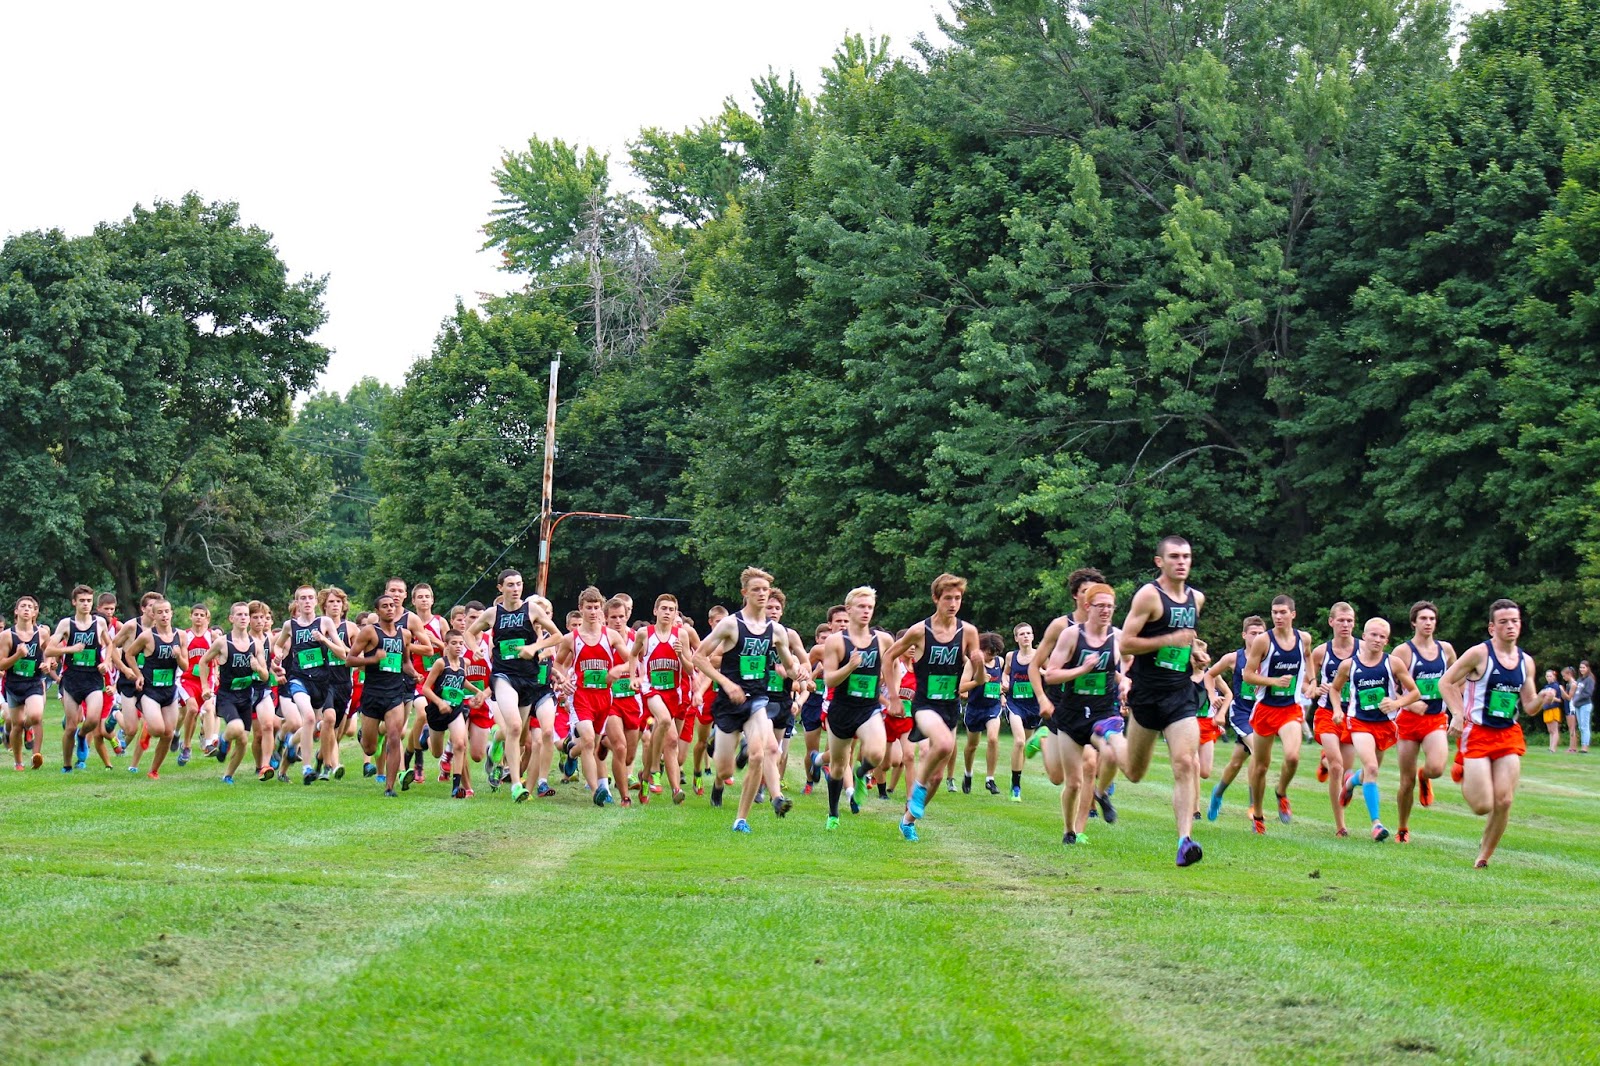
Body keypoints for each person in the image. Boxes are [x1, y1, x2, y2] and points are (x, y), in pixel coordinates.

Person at [1118, 536, 1208, 867]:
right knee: (1133, 772)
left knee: (1186, 762)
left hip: (1179, 694)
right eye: (1173, 556)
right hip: (1147, 695)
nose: (1181, 562)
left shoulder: (1196, 599)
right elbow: (1126, 644)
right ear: (1160, 562)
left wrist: (1195, 652)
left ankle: (1184, 841)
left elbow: (1186, 642)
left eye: (1186, 556)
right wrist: (1169, 640)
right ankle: (1107, 738)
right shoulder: (1149, 596)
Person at [692, 569, 806, 830]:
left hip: (757, 700)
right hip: (729, 703)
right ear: (745, 593)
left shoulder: (776, 631)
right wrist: (727, 683)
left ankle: (741, 819)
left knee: (758, 755)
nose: (762, 594)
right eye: (756, 589)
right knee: (725, 772)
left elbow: (789, 666)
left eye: (765, 590)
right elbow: (699, 657)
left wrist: (795, 671)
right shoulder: (731, 625)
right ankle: (719, 744)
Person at [885, 574, 985, 842]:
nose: (953, 603)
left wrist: (979, 662)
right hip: (925, 704)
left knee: (939, 777)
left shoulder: (969, 632)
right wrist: (894, 697)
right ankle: (916, 788)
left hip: (950, 705)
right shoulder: (920, 631)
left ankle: (908, 821)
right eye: (948, 598)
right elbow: (888, 656)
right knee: (942, 745)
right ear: (936, 599)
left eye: (958, 598)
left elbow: (981, 679)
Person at [1440, 599, 1540, 867]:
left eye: (1515, 621)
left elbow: (1529, 706)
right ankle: (1462, 769)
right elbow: (1446, 682)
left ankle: (1484, 855)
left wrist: (1544, 697)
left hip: (1508, 734)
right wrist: (1458, 714)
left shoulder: (1526, 662)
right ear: (1492, 627)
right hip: (1477, 732)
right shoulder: (1479, 654)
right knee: (1482, 805)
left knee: (1505, 800)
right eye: (1504, 622)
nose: (1510, 626)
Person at [1039, 583, 1127, 845]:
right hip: (1072, 714)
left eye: (1110, 606)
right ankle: (1069, 831)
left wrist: (1125, 683)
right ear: (1088, 607)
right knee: (1073, 783)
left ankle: (1101, 794)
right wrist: (1081, 670)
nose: (1106, 611)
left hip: (1103, 712)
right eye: (1100, 606)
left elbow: (1120, 672)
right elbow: (1052, 675)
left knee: (1112, 752)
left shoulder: (1118, 637)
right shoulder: (1071, 635)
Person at [466, 570, 563, 803]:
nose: (516, 588)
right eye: (510, 585)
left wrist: (535, 647)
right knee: (516, 726)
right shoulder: (492, 613)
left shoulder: (532, 610)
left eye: (519, 584)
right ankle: (516, 785)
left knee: (518, 736)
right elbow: (470, 633)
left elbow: (557, 635)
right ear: (501, 588)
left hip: (528, 677)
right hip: (503, 675)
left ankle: (496, 746)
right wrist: (475, 649)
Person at [1328, 617, 1421, 842]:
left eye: (1382, 637)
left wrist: (1396, 703)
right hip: (1358, 722)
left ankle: (1351, 781)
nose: (1377, 640)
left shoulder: (1394, 663)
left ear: (1387, 640)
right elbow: (1335, 689)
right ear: (1365, 636)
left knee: (1371, 771)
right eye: (1373, 635)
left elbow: (1414, 693)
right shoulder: (1349, 665)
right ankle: (1376, 824)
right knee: (1371, 767)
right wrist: (1337, 710)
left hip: (1385, 725)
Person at [818, 586, 892, 830]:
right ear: (849, 609)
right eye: (861, 606)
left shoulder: (883, 640)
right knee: (838, 766)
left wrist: (892, 693)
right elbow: (829, 679)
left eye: (870, 607)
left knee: (876, 755)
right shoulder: (836, 641)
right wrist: (849, 667)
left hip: (868, 707)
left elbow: (891, 667)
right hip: (841, 709)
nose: (866, 611)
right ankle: (833, 813)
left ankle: (861, 774)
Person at [1244, 596, 1312, 834]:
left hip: (1290, 708)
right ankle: (1259, 816)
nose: (1278, 617)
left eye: (1283, 612)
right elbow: (1248, 675)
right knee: (1261, 766)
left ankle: (1281, 792)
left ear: (1293, 614)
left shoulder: (1303, 638)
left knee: (1292, 756)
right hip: (1265, 709)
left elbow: (1308, 657)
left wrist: (1310, 682)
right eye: (1274, 612)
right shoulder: (1263, 641)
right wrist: (1273, 681)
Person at [1391, 601, 1456, 842]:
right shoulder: (1403, 652)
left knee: (1437, 767)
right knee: (1405, 782)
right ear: (1413, 623)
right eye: (1423, 619)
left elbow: (1454, 681)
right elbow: (1389, 689)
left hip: (1435, 719)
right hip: (1408, 721)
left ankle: (1425, 776)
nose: (1428, 623)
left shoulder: (1446, 650)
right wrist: (1408, 702)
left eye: (1431, 619)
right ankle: (1402, 828)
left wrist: (1459, 711)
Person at [344, 594, 418, 797]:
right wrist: (373, 659)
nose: (390, 609)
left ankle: (390, 787)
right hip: (372, 693)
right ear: (377, 611)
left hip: (395, 693)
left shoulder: (404, 635)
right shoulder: (369, 632)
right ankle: (365, 736)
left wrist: (414, 673)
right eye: (384, 606)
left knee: (395, 736)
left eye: (392, 605)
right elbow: (349, 660)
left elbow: (405, 662)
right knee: (369, 748)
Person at [198, 603, 271, 784]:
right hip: (226, 696)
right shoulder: (223, 642)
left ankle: (228, 775)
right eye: (239, 614)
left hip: (246, 696)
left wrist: (258, 668)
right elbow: (203, 661)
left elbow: (265, 676)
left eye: (246, 614)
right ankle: (222, 739)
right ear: (231, 619)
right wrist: (205, 688)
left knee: (243, 740)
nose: (244, 618)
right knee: (236, 728)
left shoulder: (256, 644)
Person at [1204, 615, 1266, 821]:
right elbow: (1209, 675)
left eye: (1261, 633)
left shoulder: (1269, 657)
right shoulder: (1234, 658)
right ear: (1244, 635)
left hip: (1262, 713)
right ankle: (1253, 804)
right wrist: (1213, 696)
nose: (1257, 637)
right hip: (1241, 712)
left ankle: (1218, 792)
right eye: (1253, 633)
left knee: (1236, 763)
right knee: (1258, 752)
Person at [635, 593, 695, 804]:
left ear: (676, 613)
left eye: (671, 610)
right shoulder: (644, 633)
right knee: (665, 721)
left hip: (674, 694)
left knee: (671, 741)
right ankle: (653, 769)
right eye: (664, 609)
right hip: (651, 690)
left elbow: (690, 669)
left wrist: (681, 655)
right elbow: (632, 655)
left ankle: (672, 788)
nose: (667, 613)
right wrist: (636, 676)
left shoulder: (682, 635)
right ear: (655, 611)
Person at [121, 599, 191, 778]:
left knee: (168, 733)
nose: (164, 615)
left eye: (167, 611)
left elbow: (185, 667)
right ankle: (148, 729)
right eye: (159, 612)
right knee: (158, 729)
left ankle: (153, 770)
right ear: (153, 614)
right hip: (150, 690)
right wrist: (138, 674)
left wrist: (177, 657)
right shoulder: (147, 636)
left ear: (172, 613)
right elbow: (129, 654)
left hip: (169, 690)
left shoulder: (181, 635)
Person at [1307, 602, 1359, 837]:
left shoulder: (1364, 649)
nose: (1345, 625)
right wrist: (1315, 688)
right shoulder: (1321, 652)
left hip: (1354, 716)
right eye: (1341, 620)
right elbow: (1307, 681)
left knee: (1344, 769)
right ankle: (1341, 826)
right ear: (1331, 622)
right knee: (1338, 767)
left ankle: (1325, 762)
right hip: (1327, 713)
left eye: (1349, 621)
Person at [52, 585, 112, 773]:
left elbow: (110, 645)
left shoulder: (99, 623)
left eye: (88, 600)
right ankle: (67, 765)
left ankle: (82, 734)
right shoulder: (66, 624)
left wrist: (107, 662)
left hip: (93, 678)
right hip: (71, 680)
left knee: (93, 720)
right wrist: (69, 649)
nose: (86, 604)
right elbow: (48, 649)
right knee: (69, 726)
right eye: (82, 601)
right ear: (74, 602)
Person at [418, 628, 482, 798]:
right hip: (437, 711)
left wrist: (477, 691)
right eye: (454, 643)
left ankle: (456, 787)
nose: (458, 647)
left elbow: (462, 680)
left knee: (460, 744)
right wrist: (439, 703)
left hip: (455, 709)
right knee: (437, 753)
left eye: (461, 643)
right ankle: (427, 734)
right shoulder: (440, 663)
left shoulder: (464, 663)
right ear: (446, 645)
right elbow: (425, 688)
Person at [0, 596, 52, 771]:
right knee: (18, 725)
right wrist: (17, 656)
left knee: (36, 716)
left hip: (34, 682)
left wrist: (48, 663)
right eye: (22, 606)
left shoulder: (42, 633)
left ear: (34, 612)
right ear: (16, 611)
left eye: (30, 607)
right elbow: (1, 664)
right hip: (14, 684)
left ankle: (35, 756)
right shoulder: (7, 636)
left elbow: (50, 652)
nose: (26, 609)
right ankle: (18, 762)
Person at [960, 632, 1005, 796]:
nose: (991, 657)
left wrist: (1001, 691)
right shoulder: (972, 664)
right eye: (988, 653)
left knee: (993, 739)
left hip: (992, 707)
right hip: (975, 708)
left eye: (995, 653)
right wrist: (978, 681)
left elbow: (999, 682)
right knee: (972, 746)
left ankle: (990, 779)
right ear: (982, 649)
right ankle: (968, 774)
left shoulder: (1000, 662)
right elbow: (961, 688)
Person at [1539, 668, 1566, 753]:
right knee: (1550, 730)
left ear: (1554, 676)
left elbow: (1559, 700)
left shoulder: (1555, 686)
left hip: (1554, 708)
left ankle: (1553, 748)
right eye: (1547, 676)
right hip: (1547, 709)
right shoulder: (1546, 687)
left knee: (1554, 730)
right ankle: (1550, 747)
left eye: (1550, 676)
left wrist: (1551, 697)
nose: (1549, 678)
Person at [1573, 661, 1593, 754]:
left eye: (1584, 667)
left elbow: (1588, 693)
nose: (1582, 669)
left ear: (1588, 668)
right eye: (1580, 667)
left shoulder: (1589, 679)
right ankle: (1583, 745)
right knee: (1581, 727)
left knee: (1585, 726)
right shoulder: (1580, 679)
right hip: (1578, 705)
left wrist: (1578, 698)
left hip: (1585, 704)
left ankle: (1585, 747)